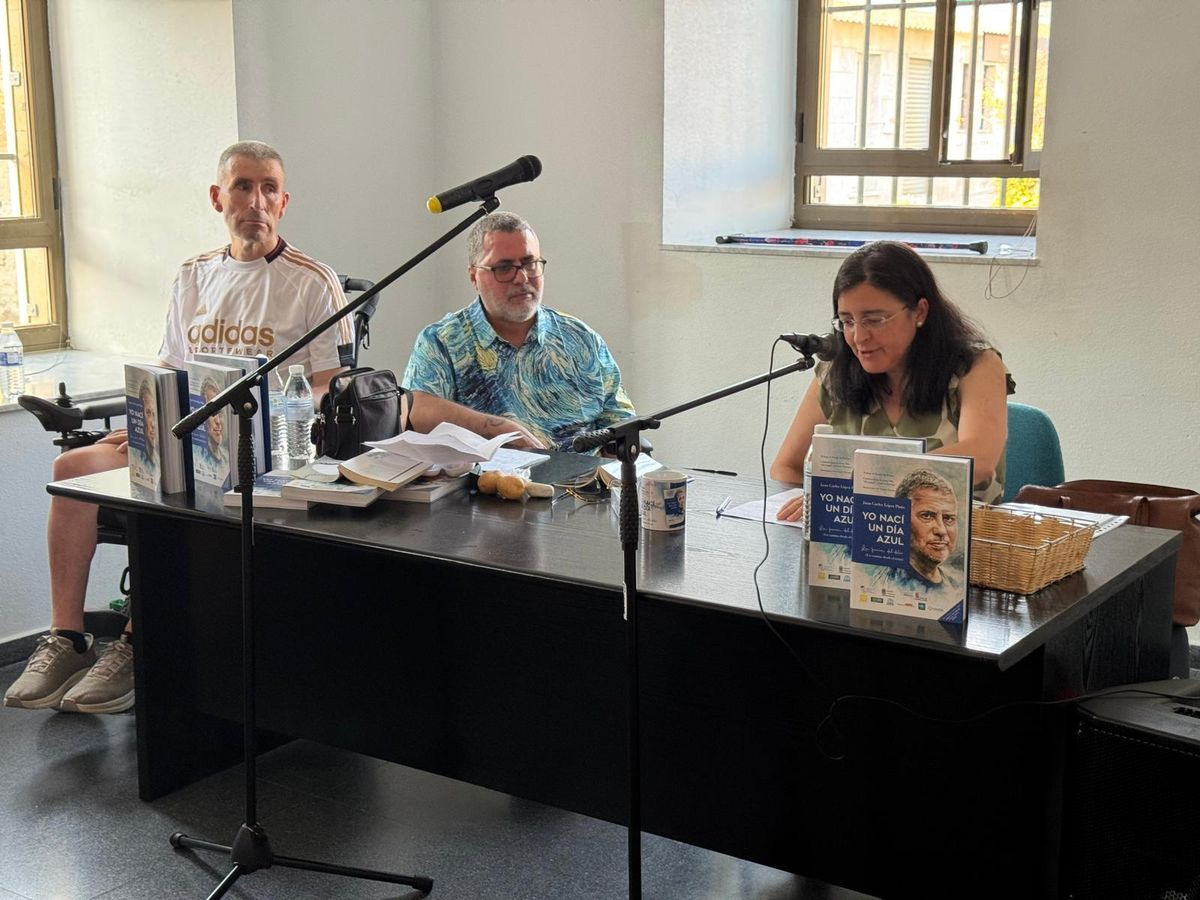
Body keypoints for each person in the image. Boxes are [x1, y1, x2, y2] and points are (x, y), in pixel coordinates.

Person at [6, 141, 534, 715]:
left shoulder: (312, 282)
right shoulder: (192, 277)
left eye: (267, 189)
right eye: (242, 187)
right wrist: (141, 421)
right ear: (218, 198)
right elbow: (169, 368)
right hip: (187, 434)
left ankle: (139, 642)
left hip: (267, 446)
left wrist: (253, 403)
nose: (255, 200)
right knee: (71, 468)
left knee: (186, 488)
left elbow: (335, 386)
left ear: (284, 202)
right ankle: (68, 637)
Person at [774, 241, 1013, 521]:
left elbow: (980, 460)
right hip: (847, 548)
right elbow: (786, 467)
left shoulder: (976, 366)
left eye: (874, 320)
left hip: (955, 547)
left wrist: (858, 492)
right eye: (847, 321)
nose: (859, 337)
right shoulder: (835, 371)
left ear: (920, 312)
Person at [403, 211, 635, 452]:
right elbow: (417, 411)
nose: (521, 277)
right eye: (504, 268)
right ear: (474, 276)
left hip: (584, 485)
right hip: (491, 485)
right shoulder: (443, 342)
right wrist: (497, 428)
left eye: (529, 263)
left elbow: (622, 425)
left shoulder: (581, 339)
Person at [893, 468, 961, 589]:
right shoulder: (883, 583)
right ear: (900, 518)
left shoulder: (956, 587)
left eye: (948, 518)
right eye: (927, 516)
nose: (941, 531)